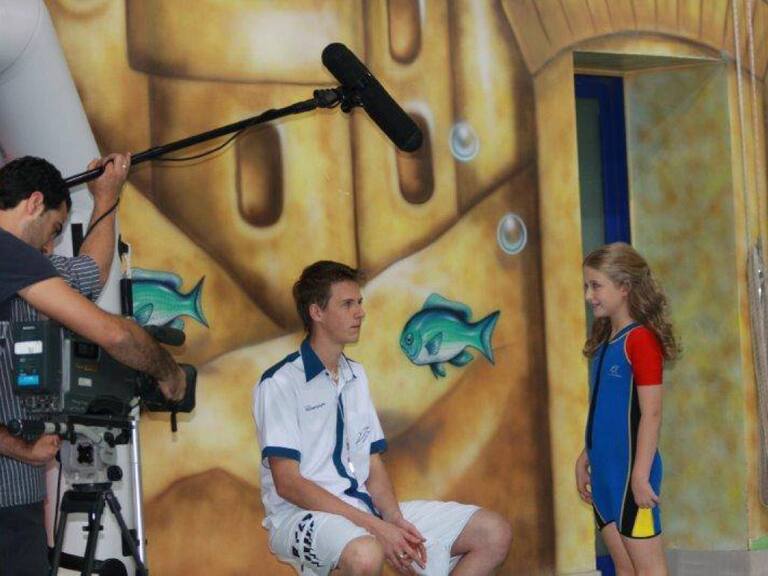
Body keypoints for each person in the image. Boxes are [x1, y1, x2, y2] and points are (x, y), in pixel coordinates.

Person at [253, 261, 511, 576]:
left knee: (493, 533)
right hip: (298, 517)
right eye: (347, 304)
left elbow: (372, 464)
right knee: (365, 554)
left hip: (362, 509)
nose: (360, 312)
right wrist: (376, 528)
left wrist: (394, 520)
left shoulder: (356, 375)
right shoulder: (279, 382)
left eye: (359, 303)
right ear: (316, 312)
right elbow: (288, 484)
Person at [0, 155, 187, 576]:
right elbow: (114, 334)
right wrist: (168, 371)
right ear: (34, 203)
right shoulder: (13, 254)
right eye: (54, 229)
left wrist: (106, 198)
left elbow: (87, 277)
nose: (49, 247)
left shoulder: (25, 271)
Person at [575, 243, 679, 576]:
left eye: (596, 286)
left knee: (649, 570)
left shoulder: (641, 340)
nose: (589, 295)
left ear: (624, 287)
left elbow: (651, 414)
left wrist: (640, 475)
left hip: (630, 475)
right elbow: (610, 411)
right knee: (624, 568)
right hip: (605, 475)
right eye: (587, 286)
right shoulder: (607, 340)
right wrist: (586, 455)